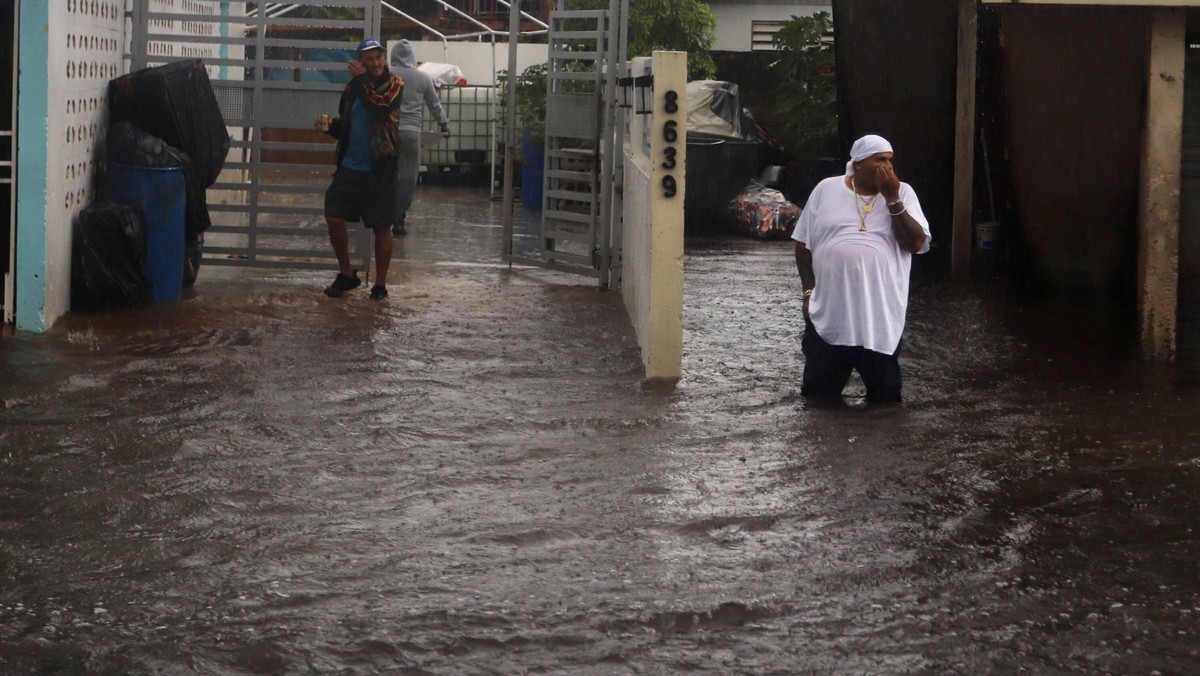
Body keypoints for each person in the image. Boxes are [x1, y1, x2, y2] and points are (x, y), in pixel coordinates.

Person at [792, 134, 931, 403]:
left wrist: (892, 197)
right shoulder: (826, 189)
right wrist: (808, 291)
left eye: (890, 161)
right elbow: (803, 244)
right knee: (817, 398)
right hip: (829, 313)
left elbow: (915, 243)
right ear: (858, 164)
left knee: (886, 400)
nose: (888, 167)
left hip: (878, 316)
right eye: (880, 160)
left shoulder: (903, 193)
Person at [315, 38, 403, 301]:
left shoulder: (395, 84)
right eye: (369, 59)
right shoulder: (352, 87)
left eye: (379, 57)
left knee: (381, 226)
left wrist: (361, 81)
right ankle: (347, 274)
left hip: (380, 167)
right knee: (333, 214)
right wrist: (330, 126)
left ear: (384, 58)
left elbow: (379, 109)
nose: (375, 63)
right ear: (361, 62)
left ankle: (380, 284)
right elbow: (348, 124)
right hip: (350, 167)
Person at [350, 39, 451, 237]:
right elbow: (434, 105)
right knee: (408, 177)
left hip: (387, 133)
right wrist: (444, 124)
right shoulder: (423, 78)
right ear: (412, 57)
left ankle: (380, 215)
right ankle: (399, 217)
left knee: (387, 175)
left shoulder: (387, 75)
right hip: (411, 134)